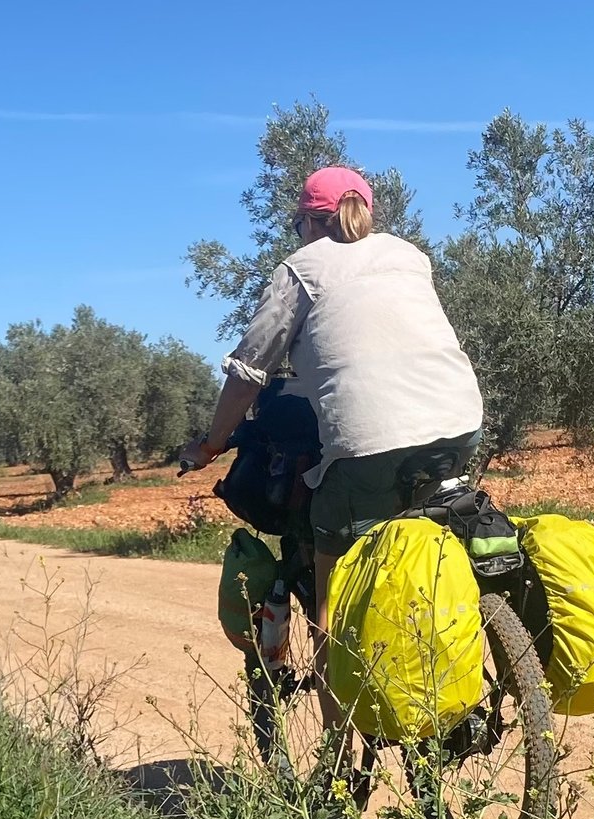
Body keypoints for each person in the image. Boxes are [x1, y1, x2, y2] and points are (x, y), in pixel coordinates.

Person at [181, 167, 484, 623]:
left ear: (309, 221)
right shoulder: (409, 255)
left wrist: (209, 445)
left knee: (331, 602)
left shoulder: (301, 268)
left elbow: (247, 373)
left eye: (297, 225)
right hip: (462, 426)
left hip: (371, 444)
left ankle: (333, 679)